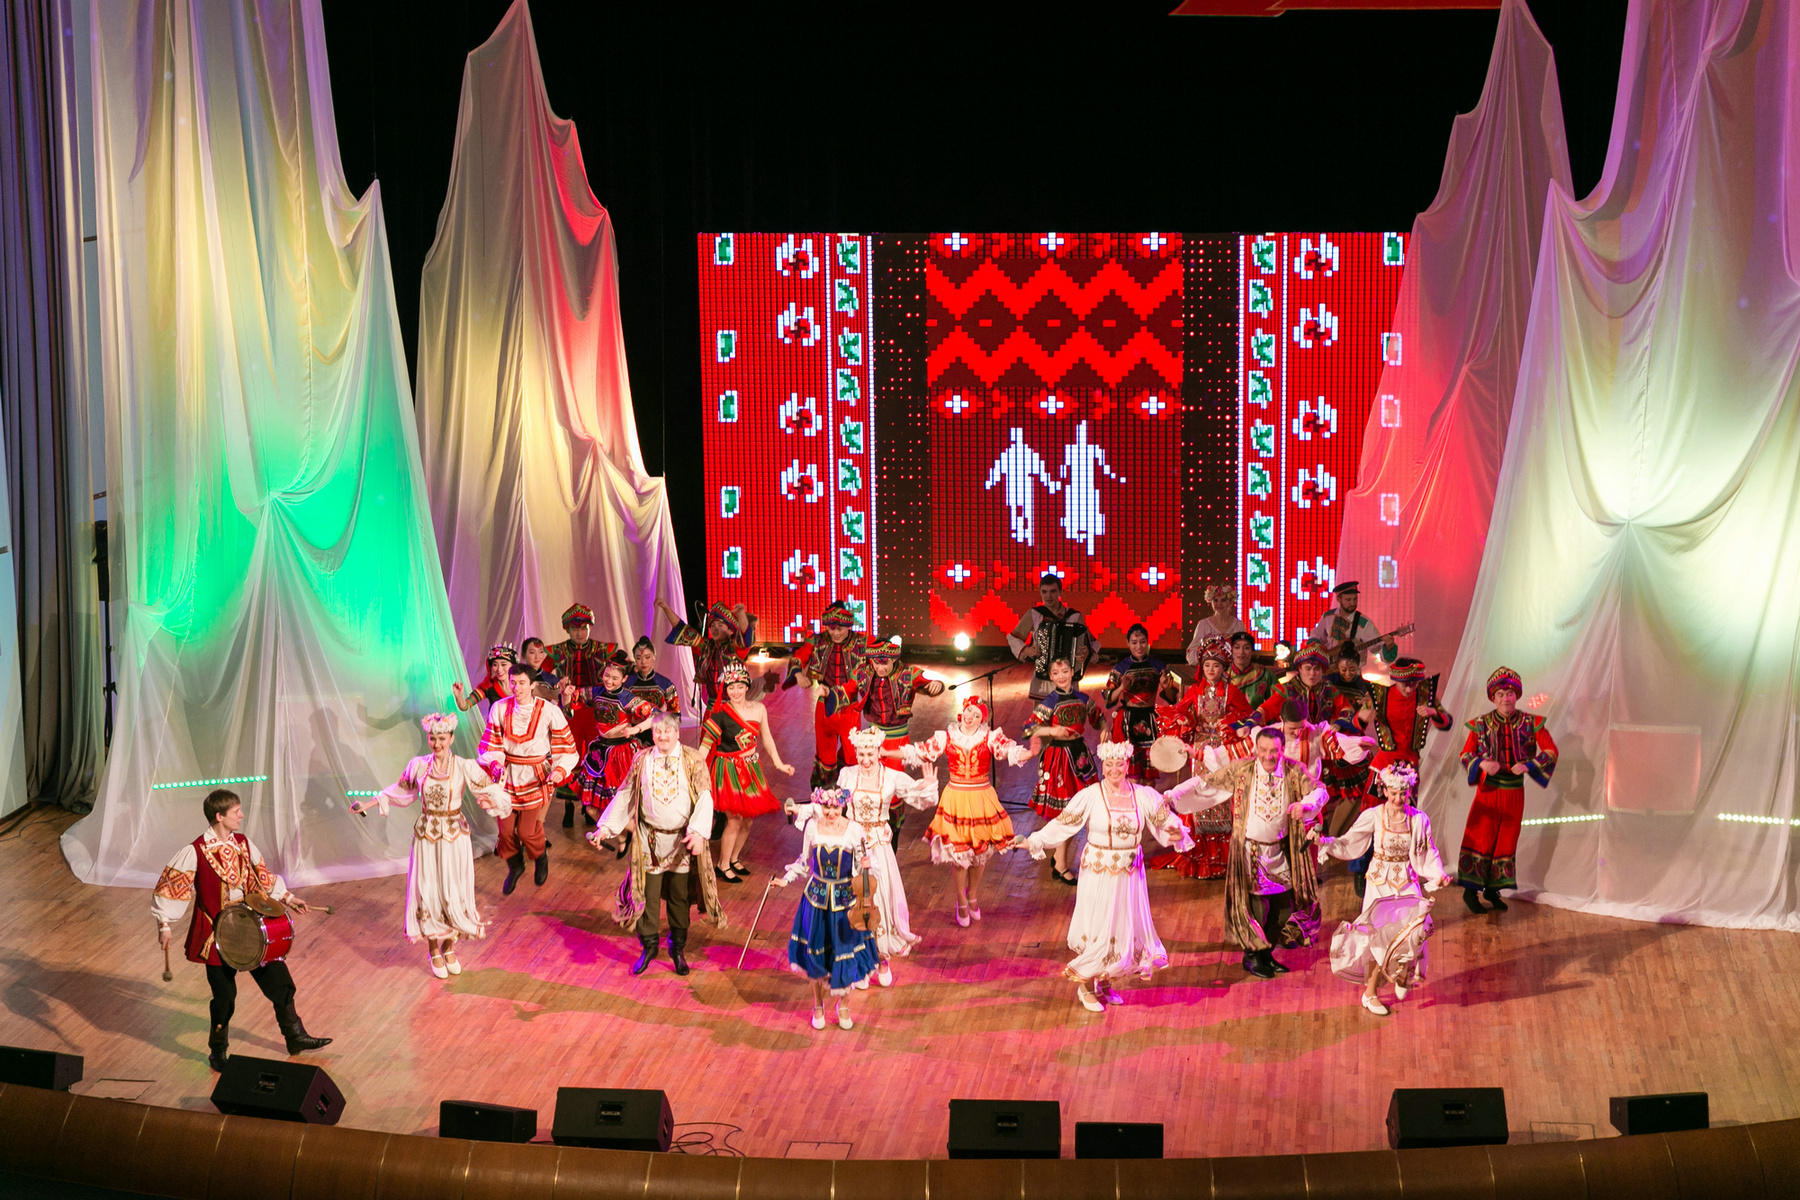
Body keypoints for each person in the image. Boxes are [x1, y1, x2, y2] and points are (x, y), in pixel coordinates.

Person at [152, 788, 329, 1071]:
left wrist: (288, 898)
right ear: (219, 816)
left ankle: (295, 1037)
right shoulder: (194, 851)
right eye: (236, 812)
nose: (241, 816)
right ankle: (217, 1051)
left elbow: (263, 877)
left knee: (280, 982)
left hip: (250, 928)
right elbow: (172, 887)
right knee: (224, 997)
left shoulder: (244, 844)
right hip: (218, 934)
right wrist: (165, 924)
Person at [1014, 741, 1193, 1013]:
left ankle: (1106, 982)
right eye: (1109, 764)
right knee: (1099, 926)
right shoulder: (1091, 796)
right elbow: (1064, 823)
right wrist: (1033, 841)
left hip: (1129, 874)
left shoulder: (1143, 795)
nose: (1114, 770)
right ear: (1102, 765)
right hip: (1099, 873)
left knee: (1122, 927)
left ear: (1127, 765)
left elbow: (1165, 821)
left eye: (1119, 764)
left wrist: (1177, 832)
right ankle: (1086, 986)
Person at [354, 714, 510, 978]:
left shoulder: (463, 766)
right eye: (433, 738)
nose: (437, 744)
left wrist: (498, 783)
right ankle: (433, 950)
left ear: (451, 738)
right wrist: (368, 804)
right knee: (429, 890)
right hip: (427, 836)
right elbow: (399, 791)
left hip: (454, 837)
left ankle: (449, 947)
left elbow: (490, 788)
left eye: (442, 738)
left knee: (453, 890)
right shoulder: (418, 765)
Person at [1168, 727, 1329, 978]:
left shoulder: (1294, 771)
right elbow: (1205, 783)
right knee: (1256, 909)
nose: (1268, 756)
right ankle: (1252, 956)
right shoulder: (1242, 770)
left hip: (1281, 851)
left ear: (1282, 750)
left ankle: (1267, 953)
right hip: (1250, 852)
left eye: (1273, 751)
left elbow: (1319, 789)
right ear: (1256, 749)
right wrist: (1173, 795)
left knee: (1284, 908)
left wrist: (1307, 804)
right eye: (1263, 750)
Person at [785, 728, 932, 986]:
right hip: (851, 843)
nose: (865, 759)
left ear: (878, 752)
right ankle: (860, 961)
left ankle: (882, 958)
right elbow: (829, 803)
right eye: (861, 754)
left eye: (870, 754)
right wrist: (800, 809)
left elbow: (919, 796)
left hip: (878, 846)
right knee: (851, 905)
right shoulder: (847, 774)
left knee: (878, 900)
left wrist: (927, 785)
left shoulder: (891, 777)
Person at [591, 713, 726, 975]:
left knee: (678, 898)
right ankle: (649, 946)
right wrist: (605, 828)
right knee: (646, 896)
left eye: (667, 731)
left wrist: (698, 832)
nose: (662, 736)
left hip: (680, 842)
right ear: (652, 734)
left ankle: (678, 949)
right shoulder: (642, 759)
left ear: (677, 733)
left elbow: (705, 796)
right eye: (657, 732)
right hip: (649, 840)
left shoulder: (692, 759)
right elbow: (626, 794)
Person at [1316, 763, 1454, 1015]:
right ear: (1385, 790)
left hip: (1406, 881)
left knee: (1414, 932)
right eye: (1393, 793)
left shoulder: (1418, 819)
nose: (1398, 799)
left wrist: (1438, 875)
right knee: (1377, 939)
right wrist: (1326, 842)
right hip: (1379, 883)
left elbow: (1427, 851)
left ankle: (1402, 975)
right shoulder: (1374, 815)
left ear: (1409, 792)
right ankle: (1370, 994)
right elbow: (1351, 841)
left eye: (1403, 794)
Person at [904, 697, 1034, 927]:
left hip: (981, 797)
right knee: (959, 854)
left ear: (982, 719)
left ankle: (972, 894)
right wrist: (882, 751)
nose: (970, 717)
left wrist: (1031, 752)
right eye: (969, 711)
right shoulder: (947, 736)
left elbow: (1009, 751)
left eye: (976, 715)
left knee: (980, 853)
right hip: (956, 798)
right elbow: (920, 752)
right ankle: (961, 900)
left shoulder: (989, 737)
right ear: (962, 711)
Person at [773, 787, 883, 1030]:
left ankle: (844, 1005)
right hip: (816, 901)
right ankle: (818, 1005)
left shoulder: (854, 830)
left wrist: (867, 864)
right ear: (820, 806)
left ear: (843, 806)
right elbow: (804, 861)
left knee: (844, 953)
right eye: (826, 807)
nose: (831, 812)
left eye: (835, 807)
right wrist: (786, 879)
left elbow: (863, 865)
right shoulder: (812, 827)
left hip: (844, 903)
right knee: (816, 952)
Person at [1457, 667, 1558, 914]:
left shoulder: (1531, 723)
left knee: (1506, 841)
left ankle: (1493, 890)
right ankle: (1470, 892)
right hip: (1488, 792)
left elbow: (1550, 751)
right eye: (1500, 694)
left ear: (1517, 695)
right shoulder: (1480, 724)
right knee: (1482, 839)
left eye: (1510, 693)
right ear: (1493, 697)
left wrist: (1528, 765)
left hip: (1514, 791)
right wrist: (1482, 763)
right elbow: (1465, 754)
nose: (1506, 699)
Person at [1150, 636, 1251, 879]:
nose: (1211, 670)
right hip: (1200, 748)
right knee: (1199, 791)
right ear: (1201, 667)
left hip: (1223, 750)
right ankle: (1202, 855)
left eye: (1216, 665)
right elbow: (1182, 713)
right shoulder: (1195, 690)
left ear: (1224, 668)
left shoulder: (1232, 691)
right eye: (1207, 665)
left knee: (1223, 794)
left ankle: (1226, 857)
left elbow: (1245, 716)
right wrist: (1185, 719)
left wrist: (1230, 723)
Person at [478, 662, 579, 894]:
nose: (517, 687)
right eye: (513, 682)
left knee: (526, 831)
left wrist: (559, 770)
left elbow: (566, 744)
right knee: (505, 832)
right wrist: (495, 763)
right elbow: (491, 742)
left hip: (534, 775)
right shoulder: (500, 708)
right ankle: (515, 866)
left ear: (532, 685)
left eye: (522, 683)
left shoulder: (548, 710)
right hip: (508, 774)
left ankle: (540, 856)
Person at [701, 659, 796, 882]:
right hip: (728, 769)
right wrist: (693, 768)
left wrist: (779, 763)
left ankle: (734, 858)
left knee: (748, 820)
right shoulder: (720, 714)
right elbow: (705, 746)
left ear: (747, 687)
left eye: (739, 687)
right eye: (731, 688)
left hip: (751, 767)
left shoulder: (759, 709)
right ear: (726, 690)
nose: (735, 692)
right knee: (734, 819)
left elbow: (767, 738)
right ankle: (723, 864)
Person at [1022, 657, 1101, 885]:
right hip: (1059, 759)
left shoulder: (1083, 698)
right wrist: (1051, 731)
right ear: (1050, 677)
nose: (1061, 676)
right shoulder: (1050, 701)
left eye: (1065, 671)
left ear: (1072, 671)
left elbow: (1097, 718)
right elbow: (1028, 729)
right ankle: (1061, 864)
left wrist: (1105, 728)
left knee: (1078, 809)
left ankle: (1059, 859)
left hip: (1080, 756)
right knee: (1067, 812)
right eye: (1056, 673)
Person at [783, 599, 870, 786]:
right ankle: (826, 796)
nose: (835, 633)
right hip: (824, 708)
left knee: (852, 754)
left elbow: (881, 662)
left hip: (849, 709)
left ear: (848, 625)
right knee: (825, 754)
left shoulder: (862, 643)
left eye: (840, 629)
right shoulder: (817, 641)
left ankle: (849, 795)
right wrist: (798, 674)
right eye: (831, 629)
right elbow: (799, 657)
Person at [548, 604, 618, 826]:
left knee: (595, 755)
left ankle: (590, 805)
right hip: (569, 709)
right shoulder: (557, 651)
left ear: (590, 628)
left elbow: (623, 668)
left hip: (596, 709)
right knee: (570, 754)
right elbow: (541, 673)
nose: (579, 633)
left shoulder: (603, 649)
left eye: (584, 628)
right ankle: (569, 805)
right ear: (567, 629)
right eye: (575, 629)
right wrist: (556, 686)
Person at [570, 651, 657, 824]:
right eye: (607, 675)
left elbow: (655, 716)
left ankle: (634, 834)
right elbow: (571, 701)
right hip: (600, 751)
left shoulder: (627, 698)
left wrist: (636, 728)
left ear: (624, 679)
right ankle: (621, 833)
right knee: (591, 808)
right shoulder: (596, 691)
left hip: (621, 753)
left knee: (622, 804)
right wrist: (566, 692)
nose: (609, 681)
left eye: (615, 678)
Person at [1006, 573, 1100, 699]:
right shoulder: (1034, 614)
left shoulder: (1074, 617)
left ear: (1060, 592)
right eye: (1044, 592)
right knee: (1042, 711)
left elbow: (1091, 643)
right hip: (1042, 681)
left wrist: (1087, 652)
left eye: (1053, 591)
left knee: (1068, 709)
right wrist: (1026, 650)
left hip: (1068, 679)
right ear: (1040, 592)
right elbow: (1013, 637)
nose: (1048, 596)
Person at [1238, 639, 1360, 732]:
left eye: (1317, 669)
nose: (1312, 674)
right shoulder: (1288, 689)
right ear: (1299, 669)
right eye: (1308, 669)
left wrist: (1338, 724)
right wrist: (1249, 724)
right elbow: (1266, 709)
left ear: (1323, 671)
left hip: (1321, 741)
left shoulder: (1328, 688)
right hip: (1292, 742)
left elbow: (1346, 707)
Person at [660, 598, 756, 711]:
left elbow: (746, 637)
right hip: (712, 707)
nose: (715, 629)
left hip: (734, 707)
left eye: (720, 625)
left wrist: (740, 614)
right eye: (713, 625)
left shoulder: (735, 648)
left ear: (731, 630)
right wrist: (665, 608)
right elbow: (682, 630)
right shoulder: (707, 646)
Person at [1104, 623, 1168, 783]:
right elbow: (1108, 698)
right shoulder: (1121, 668)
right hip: (1129, 721)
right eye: (1134, 642)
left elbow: (1171, 697)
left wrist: (1166, 687)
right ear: (1128, 643)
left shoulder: (1158, 666)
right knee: (1132, 775)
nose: (1139, 646)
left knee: (1149, 775)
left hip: (1150, 719)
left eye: (1142, 642)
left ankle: (1148, 800)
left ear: (1148, 642)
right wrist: (1121, 688)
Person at [1309, 581, 1396, 665]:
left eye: (1355, 599)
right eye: (1348, 600)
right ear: (1338, 599)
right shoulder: (1328, 616)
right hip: (1328, 669)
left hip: (1352, 671)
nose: (1353, 603)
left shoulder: (1364, 623)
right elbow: (1317, 636)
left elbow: (1378, 646)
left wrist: (1389, 646)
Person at [628, 635, 681, 745]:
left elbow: (675, 715)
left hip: (657, 733)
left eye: (647, 657)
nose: (643, 662)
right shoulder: (627, 683)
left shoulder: (665, 684)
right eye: (639, 658)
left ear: (654, 656)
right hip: (631, 734)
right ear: (634, 658)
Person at [1184, 584, 1247, 665]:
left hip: (1233, 671)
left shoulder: (1238, 625)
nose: (1219, 604)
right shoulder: (1203, 625)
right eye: (1215, 600)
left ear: (1231, 602)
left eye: (1223, 600)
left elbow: (1245, 651)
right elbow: (1191, 656)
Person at [452, 644, 516, 714]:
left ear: (513, 665)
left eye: (503, 665)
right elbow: (465, 706)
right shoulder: (488, 685)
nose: (499, 670)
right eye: (495, 665)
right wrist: (459, 696)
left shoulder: (522, 685)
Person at [1226, 631, 1280, 713]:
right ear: (1231, 650)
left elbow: (1277, 700)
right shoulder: (1223, 676)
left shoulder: (1264, 675)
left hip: (1257, 720)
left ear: (1252, 651)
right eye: (1237, 647)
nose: (1241, 652)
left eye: (1246, 648)